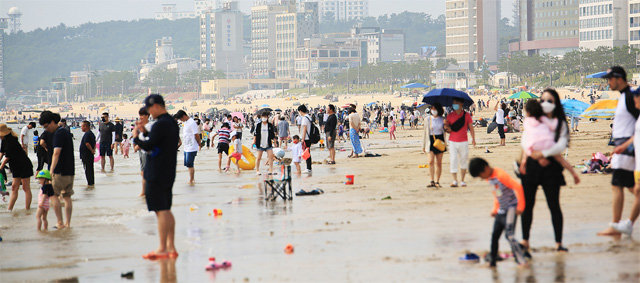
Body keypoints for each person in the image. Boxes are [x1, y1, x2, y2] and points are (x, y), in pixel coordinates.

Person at [519, 88, 570, 253]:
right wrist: (527, 158)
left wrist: (544, 154)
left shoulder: (559, 123)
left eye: (550, 101)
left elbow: (561, 145)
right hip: (532, 165)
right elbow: (525, 140)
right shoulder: (534, 120)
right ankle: (525, 240)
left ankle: (558, 242)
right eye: (543, 100)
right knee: (528, 205)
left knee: (554, 205)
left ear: (555, 104)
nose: (545, 104)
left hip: (552, 167)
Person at [134, 94, 180, 260]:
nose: (149, 113)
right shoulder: (171, 123)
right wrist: (145, 131)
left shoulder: (161, 124)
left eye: (148, 109)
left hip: (157, 172)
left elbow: (149, 145)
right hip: (168, 171)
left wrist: (136, 136)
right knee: (166, 209)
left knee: (160, 211)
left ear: (155, 106)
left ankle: (162, 248)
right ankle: (171, 247)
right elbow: (158, 142)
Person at [597, 66, 640, 236]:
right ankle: (620, 225)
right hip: (624, 147)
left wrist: (628, 145)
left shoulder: (630, 97)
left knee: (617, 185)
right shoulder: (625, 97)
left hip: (627, 149)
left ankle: (615, 226)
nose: (608, 83)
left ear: (619, 79)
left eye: (610, 79)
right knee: (630, 187)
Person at [469, 158, 527, 268]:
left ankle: (521, 261)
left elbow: (518, 187)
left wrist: (520, 207)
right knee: (495, 236)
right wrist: (495, 209)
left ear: (485, 168)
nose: (482, 178)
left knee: (509, 236)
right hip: (501, 210)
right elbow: (497, 194)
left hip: (511, 208)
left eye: (481, 176)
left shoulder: (500, 175)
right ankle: (493, 262)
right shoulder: (489, 179)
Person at [520, 100, 580, 185]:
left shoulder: (527, 121)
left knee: (528, 149)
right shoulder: (544, 119)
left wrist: (523, 162)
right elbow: (553, 126)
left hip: (534, 145)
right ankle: (573, 174)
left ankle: (536, 160)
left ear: (528, 112)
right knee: (561, 159)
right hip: (548, 143)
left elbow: (527, 138)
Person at [46, 111, 75, 229]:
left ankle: (60, 222)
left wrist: (51, 171)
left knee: (53, 195)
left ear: (53, 122)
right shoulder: (66, 132)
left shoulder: (58, 134)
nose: (46, 129)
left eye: (46, 126)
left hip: (59, 171)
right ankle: (68, 224)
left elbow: (56, 153)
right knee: (67, 197)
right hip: (70, 171)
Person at [0, 124, 33, 211]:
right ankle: (9, 209)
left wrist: (1, 167)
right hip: (15, 166)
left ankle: (27, 209)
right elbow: (2, 153)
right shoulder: (4, 140)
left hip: (24, 165)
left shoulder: (11, 140)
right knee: (14, 187)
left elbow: (7, 157)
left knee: (26, 187)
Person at [444, 98, 476, 187]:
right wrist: (446, 128)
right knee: (453, 159)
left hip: (463, 141)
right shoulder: (450, 116)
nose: (455, 105)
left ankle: (462, 180)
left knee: (463, 160)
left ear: (461, 104)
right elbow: (447, 129)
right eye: (454, 103)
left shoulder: (467, 115)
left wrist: (473, 139)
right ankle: (454, 180)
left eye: (457, 103)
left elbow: (471, 128)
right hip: (452, 142)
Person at [174, 110, 201, 185]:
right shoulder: (185, 122)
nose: (180, 120)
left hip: (192, 147)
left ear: (184, 116)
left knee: (190, 164)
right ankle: (191, 179)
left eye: (180, 118)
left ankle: (191, 180)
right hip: (186, 147)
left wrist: (199, 143)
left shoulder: (192, 123)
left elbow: (196, 134)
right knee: (187, 164)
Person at [423, 103, 446, 188]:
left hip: (440, 141)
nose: (433, 111)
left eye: (435, 109)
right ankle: (432, 180)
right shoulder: (427, 119)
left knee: (439, 163)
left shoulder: (442, 119)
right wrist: (423, 145)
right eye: (432, 109)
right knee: (430, 161)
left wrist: (446, 125)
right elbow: (425, 133)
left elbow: (446, 130)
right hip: (430, 141)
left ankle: (437, 181)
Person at [134, 107, 152, 197]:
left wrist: (139, 145)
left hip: (147, 152)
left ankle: (144, 192)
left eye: (142, 115)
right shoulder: (141, 126)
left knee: (145, 172)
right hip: (141, 152)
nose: (141, 117)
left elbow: (149, 140)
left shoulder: (150, 126)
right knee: (142, 172)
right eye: (140, 115)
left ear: (148, 116)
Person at [79, 121, 96, 188]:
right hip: (89, 154)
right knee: (90, 169)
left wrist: (92, 150)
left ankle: (90, 183)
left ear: (86, 126)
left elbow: (87, 143)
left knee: (88, 169)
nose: (81, 128)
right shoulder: (91, 134)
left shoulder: (87, 134)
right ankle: (91, 182)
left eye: (82, 126)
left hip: (86, 154)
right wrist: (93, 150)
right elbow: (94, 143)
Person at [298, 105, 313, 172]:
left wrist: (302, 139)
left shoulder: (304, 118)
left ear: (301, 111)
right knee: (308, 152)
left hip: (306, 138)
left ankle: (308, 168)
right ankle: (309, 167)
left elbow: (304, 129)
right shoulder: (308, 117)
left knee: (306, 153)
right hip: (309, 137)